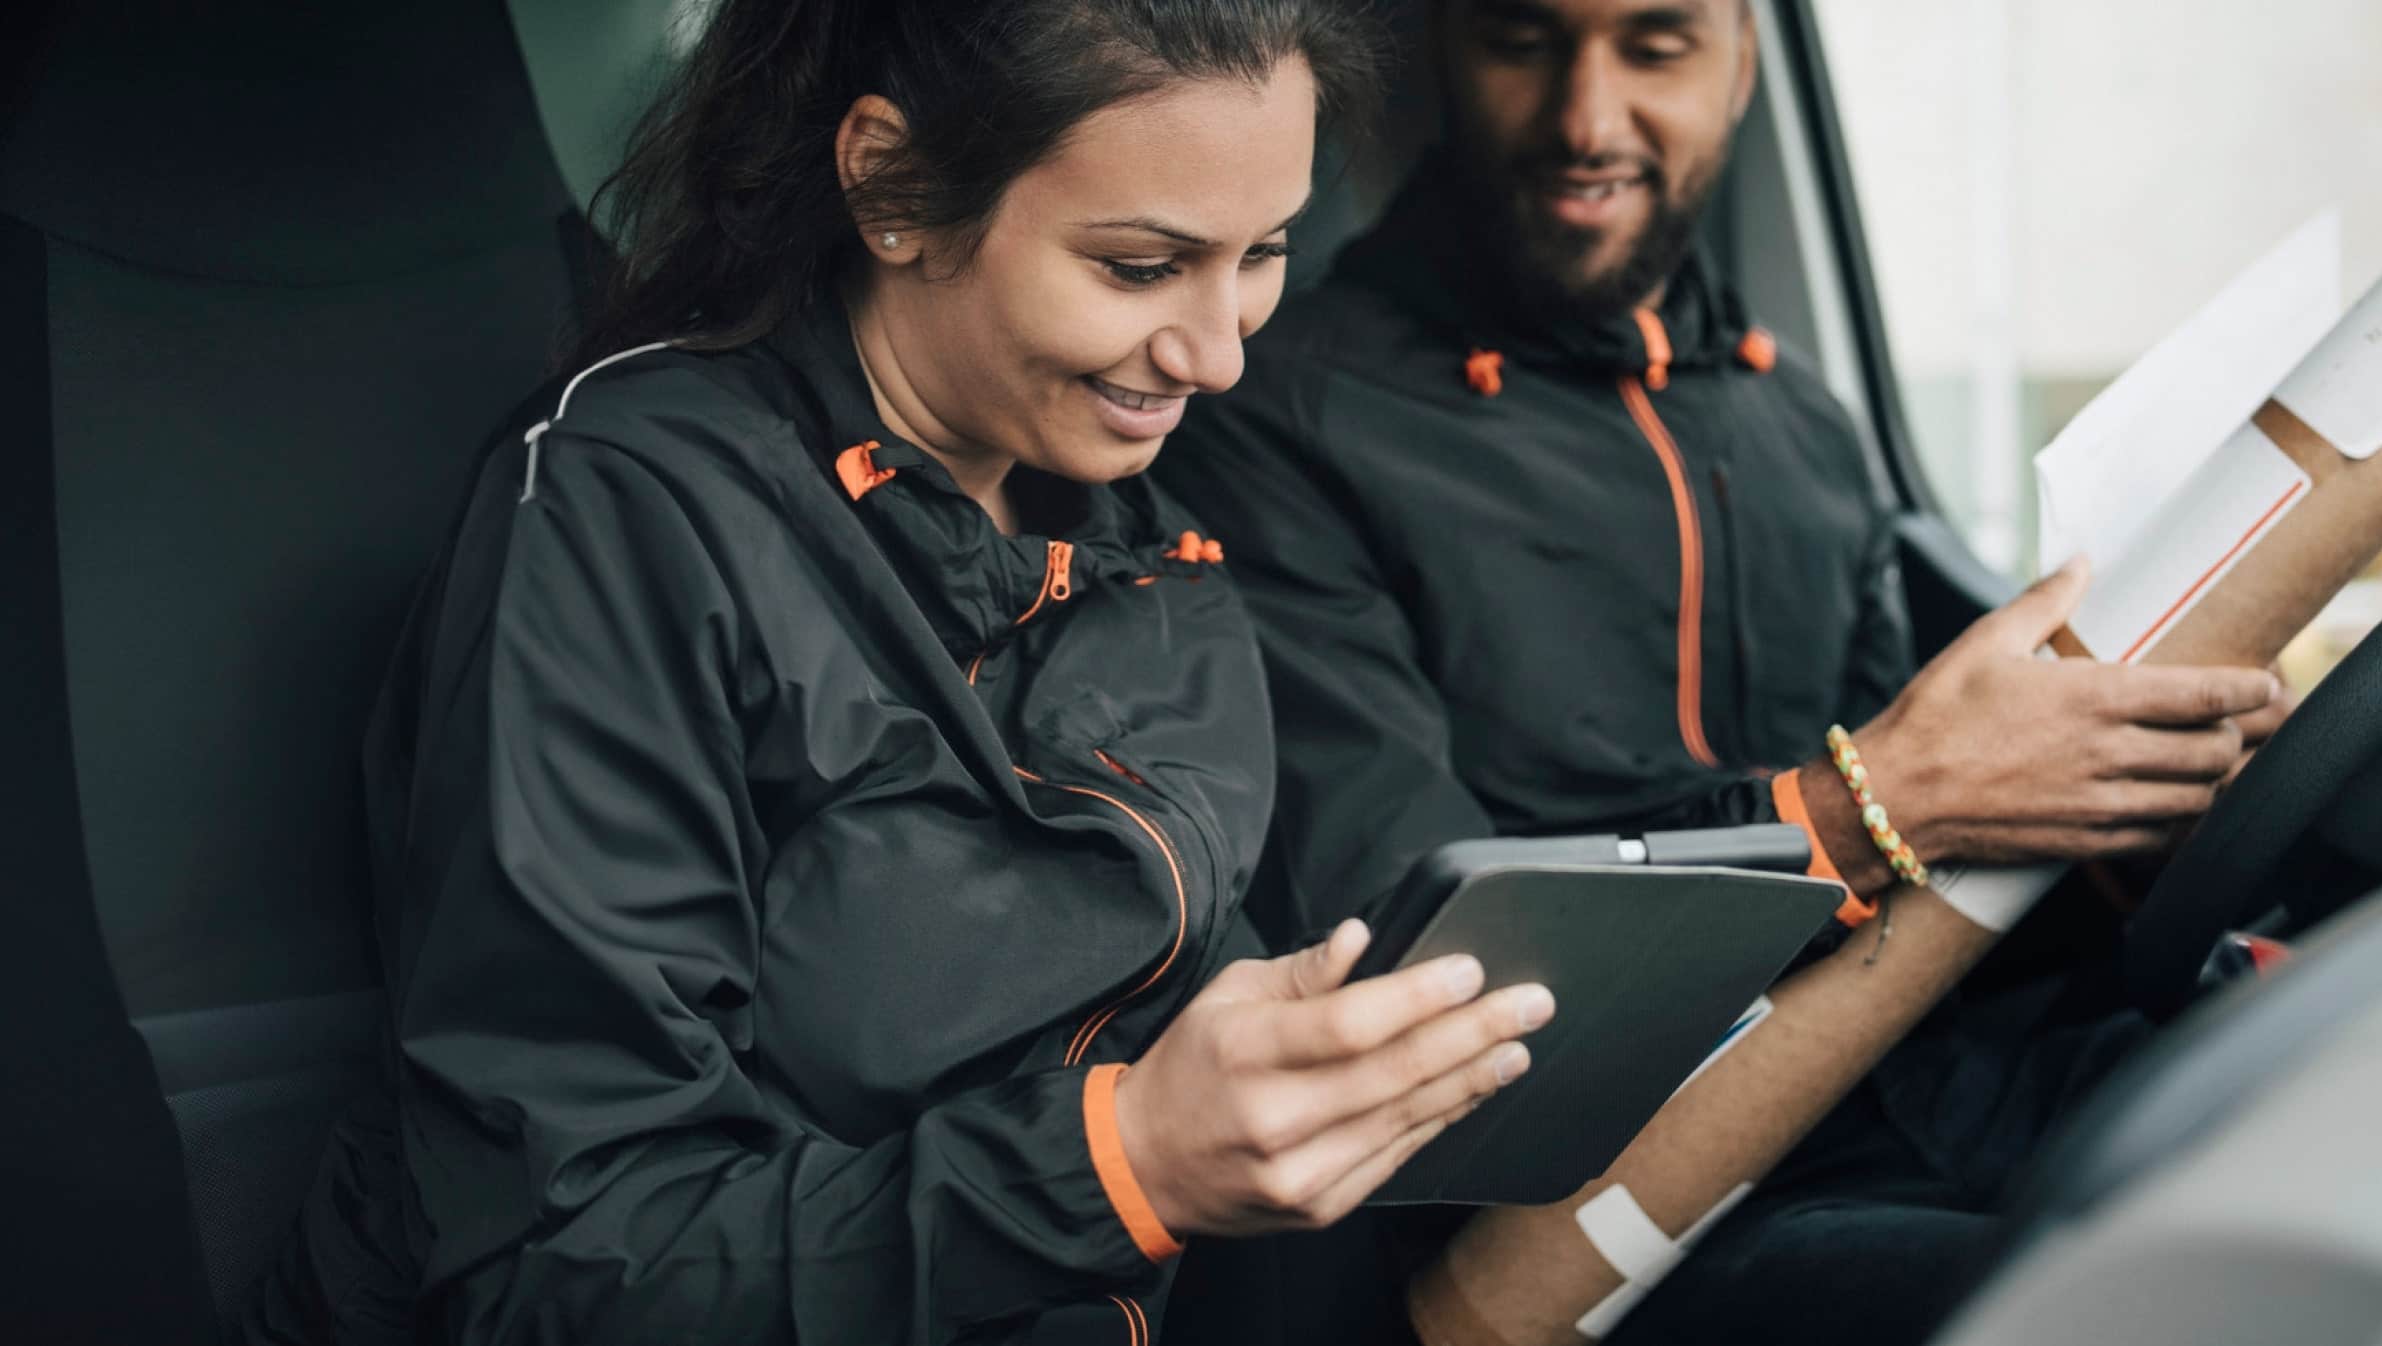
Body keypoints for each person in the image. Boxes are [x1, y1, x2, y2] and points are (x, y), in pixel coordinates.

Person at [245, 4, 1564, 1343]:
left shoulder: (1150, 535)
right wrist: (1125, 1162)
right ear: (892, 184)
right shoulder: (625, 518)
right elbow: (563, 1264)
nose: (1218, 352)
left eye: (1264, 253)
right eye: (1139, 266)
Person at [1152, 0, 2286, 1338]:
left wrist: (2124, 823)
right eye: (1524, 41)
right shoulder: (1273, 419)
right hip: (1617, 1206)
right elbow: (1426, 962)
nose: (1587, 118)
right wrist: (1870, 806)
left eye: (1656, 43)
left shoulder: (1801, 419)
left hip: (1944, 1078)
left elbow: (1959, 860)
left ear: (1743, 61)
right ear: (1441, 60)